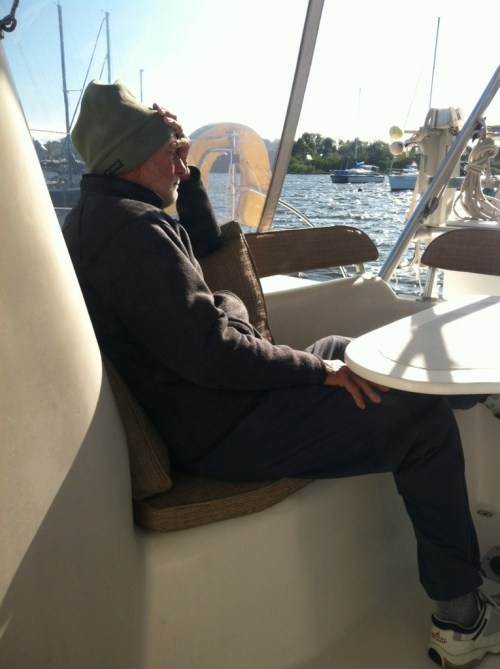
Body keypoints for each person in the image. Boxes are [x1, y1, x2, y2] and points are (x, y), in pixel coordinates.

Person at [62, 79, 500, 668]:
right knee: (419, 424)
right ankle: (462, 620)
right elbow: (213, 354)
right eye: (171, 152)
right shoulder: (131, 232)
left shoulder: (110, 215)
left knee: (345, 349)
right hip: (224, 428)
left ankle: (475, 392)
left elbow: (201, 249)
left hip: (211, 407)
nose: (181, 159)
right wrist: (317, 372)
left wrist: (187, 178)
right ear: (133, 158)